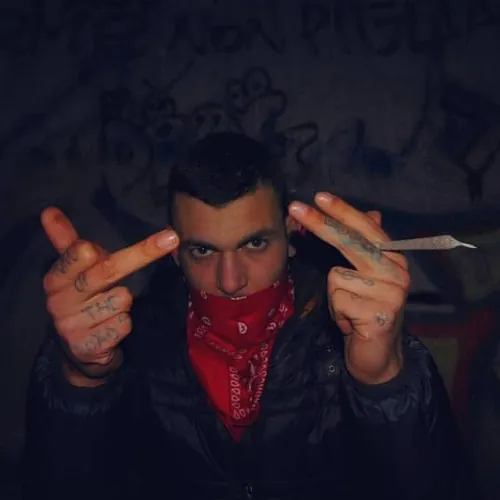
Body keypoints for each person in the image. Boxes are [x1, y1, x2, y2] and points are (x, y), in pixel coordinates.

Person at [23, 132, 467, 500]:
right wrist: (80, 381)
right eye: (203, 250)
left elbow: (431, 486)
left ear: (290, 238)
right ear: (174, 253)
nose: (231, 280)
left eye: (255, 244)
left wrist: (383, 380)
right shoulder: (136, 345)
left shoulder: (353, 333)